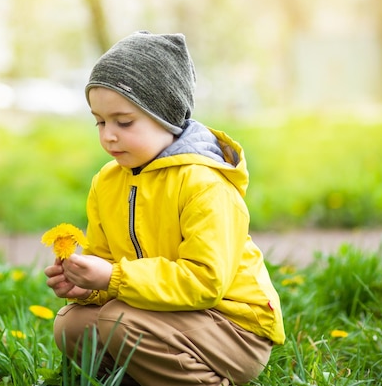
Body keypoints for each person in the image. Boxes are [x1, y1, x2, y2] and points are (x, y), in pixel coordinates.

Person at [44, 31, 285, 386]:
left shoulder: (205, 183)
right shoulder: (108, 182)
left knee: (117, 320)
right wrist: (88, 286)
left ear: (166, 116)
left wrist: (112, 278)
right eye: (100, 121)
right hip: (161, 318)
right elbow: (107, 263)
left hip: (232, 329)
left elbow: (205, 282)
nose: (108, 135)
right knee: (72, 324)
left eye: (123, 122)